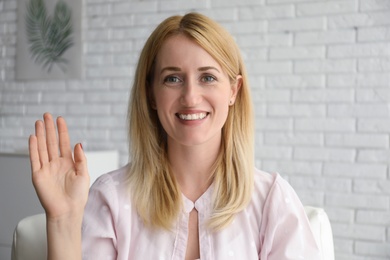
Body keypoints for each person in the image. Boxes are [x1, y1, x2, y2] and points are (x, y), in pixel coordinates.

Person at [29, 12, 321, 260]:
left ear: (233, 91)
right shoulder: (111, 198)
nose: (191, 97)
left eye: (207, 77)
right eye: (173, 79)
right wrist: (63, 219)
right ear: (151, 94)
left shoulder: (272, 200)